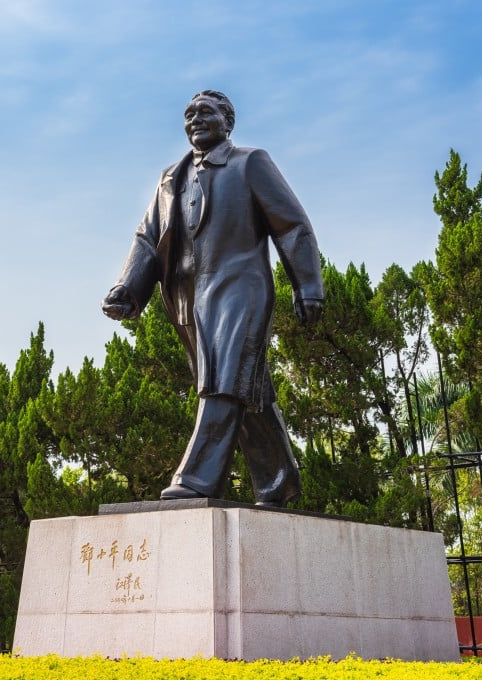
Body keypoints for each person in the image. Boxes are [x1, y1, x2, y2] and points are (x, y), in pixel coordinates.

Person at [102, 90, 324, 508]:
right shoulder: (171, 178)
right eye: (188, 114)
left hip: (240, 287)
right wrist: (127, 288)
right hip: (187, 298)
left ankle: (196, 479)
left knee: (222, 381)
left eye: (205, 112)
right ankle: (279, 477)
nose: (194, 120)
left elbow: (291, 226)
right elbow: (148, 238)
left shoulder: (250, 162)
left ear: (228, 120)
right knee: (245, 385)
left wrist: (307, 285)